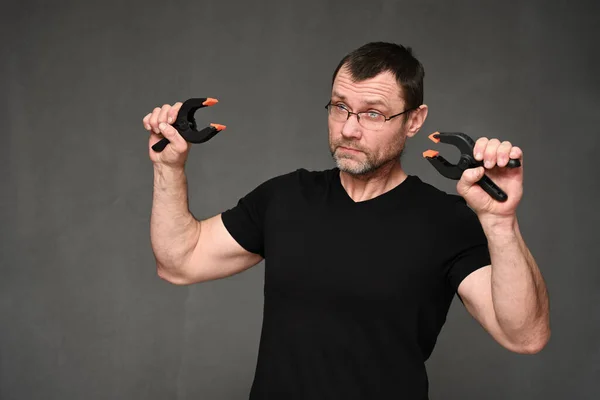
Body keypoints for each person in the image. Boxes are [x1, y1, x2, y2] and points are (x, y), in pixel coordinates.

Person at [142, 42, 550, 399]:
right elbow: (179, 263)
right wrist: (168, 167)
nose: (349, 129)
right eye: (341, 107)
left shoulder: (447, 220)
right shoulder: (286, 198)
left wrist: (500, 222)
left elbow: (525, 336)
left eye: (373, 113)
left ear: (414, 120)